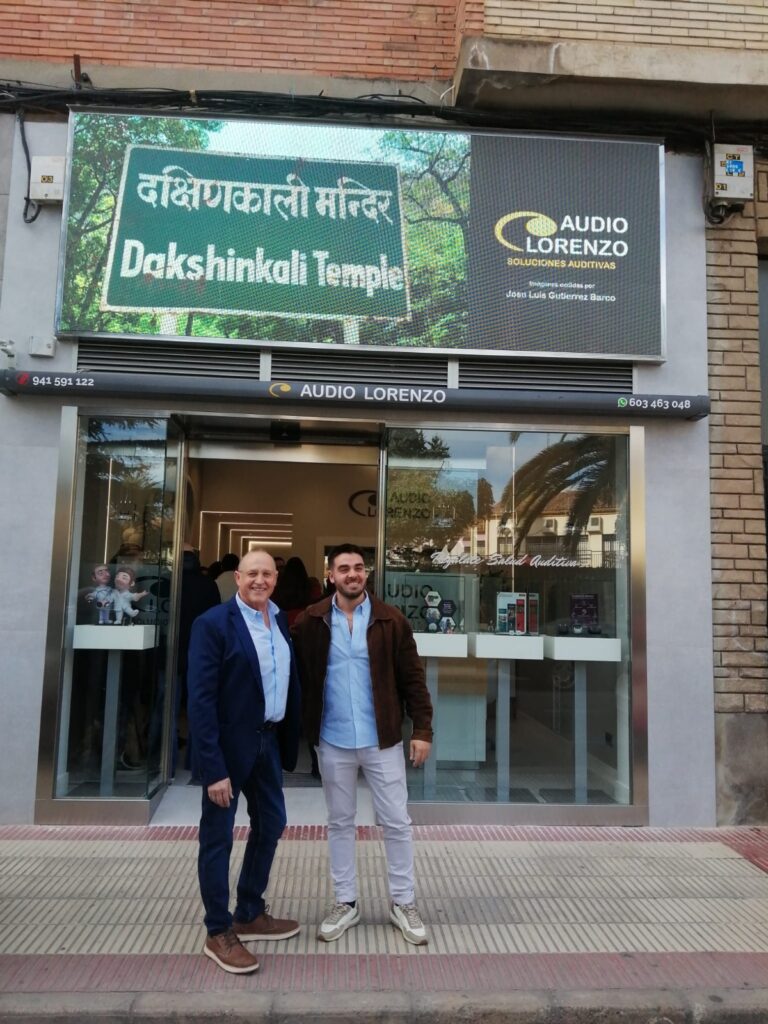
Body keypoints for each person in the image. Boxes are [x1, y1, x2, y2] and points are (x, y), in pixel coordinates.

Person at [292, 543, 433, 946]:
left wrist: (422, 729)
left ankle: (403, 902)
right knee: (340, 822)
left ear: (366, 573)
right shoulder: (311, 620)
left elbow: (413, 679)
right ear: (330, 575)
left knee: (397, 822)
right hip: (332, 739)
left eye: (358, 567)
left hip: (381, 739)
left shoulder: (392, 620)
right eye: (343, 568)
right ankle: (346, 902)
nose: (352, 574)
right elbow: (296, 675)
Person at [187, 549, 302, 974]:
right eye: (252, 573)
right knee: (218, 837)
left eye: (267, 574)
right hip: (227, 749)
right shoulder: (213, 624)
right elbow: (200, 700)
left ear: (276, 578)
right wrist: (213, 768)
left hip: (266, 742)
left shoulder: (280, 619)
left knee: (272, 823)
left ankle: (249, 911)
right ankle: (218, 930)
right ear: (237, 577)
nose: (259, 580)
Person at [273, 556, 312, 626]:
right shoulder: (308, 585)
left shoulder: (281, 586)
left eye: (281, 567)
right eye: (277, 568)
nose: (279, 570)